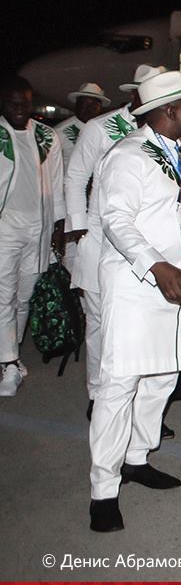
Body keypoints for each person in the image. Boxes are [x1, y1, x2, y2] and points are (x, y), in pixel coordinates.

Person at [87, 70, 181, 532]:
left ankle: (137, 459)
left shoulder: (177, 155)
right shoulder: (127, 156)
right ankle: (103, 490)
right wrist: (156, 266)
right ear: (168, 111)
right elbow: (115, 220)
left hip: (177, 286)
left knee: (163, 376)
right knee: (119, 385)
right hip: (137, 287)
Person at [63, 71, 144, 414]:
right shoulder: (101, 127)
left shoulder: (157, 133)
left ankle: (133, 400)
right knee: (99, 323)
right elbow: (76, 175)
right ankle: (98, 396)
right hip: (99, 238)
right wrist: (78, 226)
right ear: (136, 96)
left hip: (139, 243)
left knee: (135, 325)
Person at [0, 77, 65, 397]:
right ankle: (9, 362)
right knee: (3, 296)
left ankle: (9, 357)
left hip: (37, 229)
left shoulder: (46, 135)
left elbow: (57, 183)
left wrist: (58, 226)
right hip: (5, 229)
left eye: (24, 103)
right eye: (12, 103)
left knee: (23, 297)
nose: (18, 109)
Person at [52, 82, 110, 274]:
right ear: (76, 104)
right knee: (71, 260)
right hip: (71, 203)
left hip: (98, 205)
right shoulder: (60, 132)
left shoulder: (106, 130)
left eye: (95, 104)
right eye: (85, 103)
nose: (90, 108)